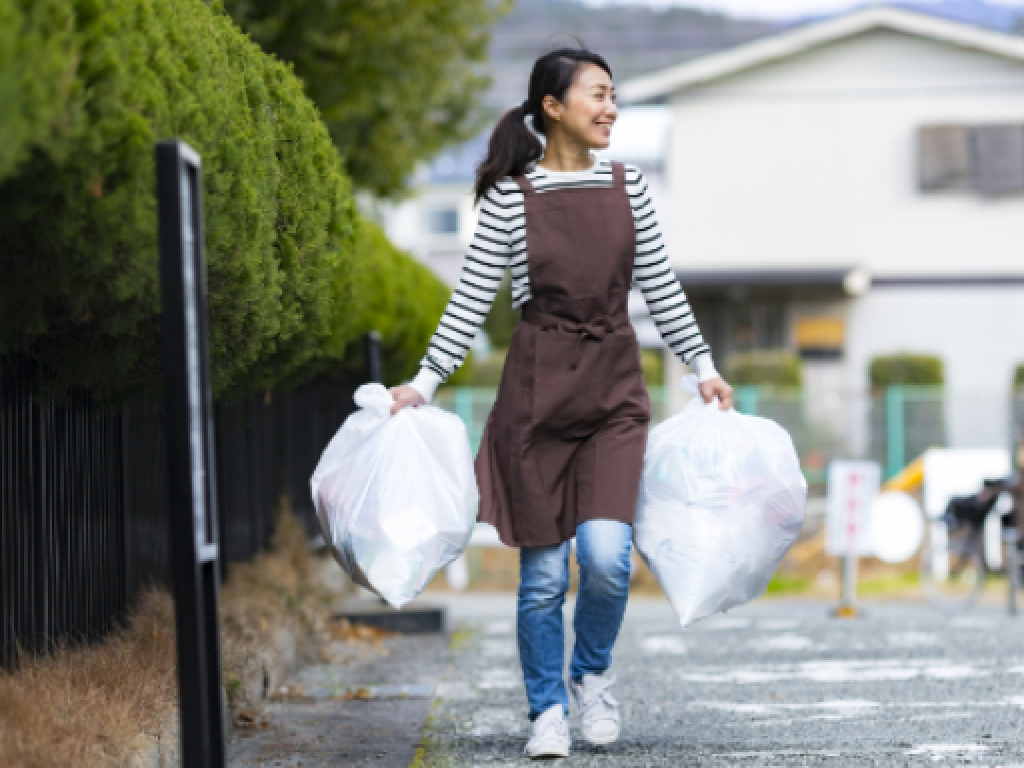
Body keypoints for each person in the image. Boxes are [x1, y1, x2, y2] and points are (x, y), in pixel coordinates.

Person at [390, 47, 733, 759]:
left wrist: (701, 365)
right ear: (552, 107)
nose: (611, 108)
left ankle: (592, 677)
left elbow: (661, 287)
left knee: (607, 559)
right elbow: (469, 301)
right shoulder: (511, 198)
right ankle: (546, 710)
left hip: (613, 389)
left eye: (614, 96)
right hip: (537, 397)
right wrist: (422, 383)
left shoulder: (629, 184)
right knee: (544, 575)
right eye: (597, 95)